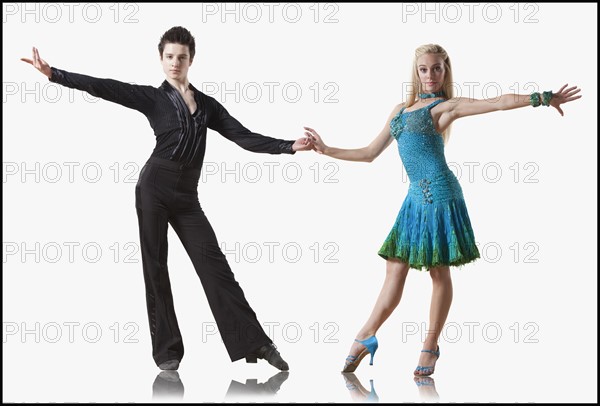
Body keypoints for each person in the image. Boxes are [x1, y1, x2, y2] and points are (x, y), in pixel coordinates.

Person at [21, 26, 314, 371]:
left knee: (215, 268)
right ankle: (167, 351)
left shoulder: (207, 105)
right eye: (169, 57)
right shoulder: (152, 98)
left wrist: (287, 146)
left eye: (182, 57)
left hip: (188, 198)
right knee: (156, 267)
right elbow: (104, 87)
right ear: (161, 59)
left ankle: (255, 343)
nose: (175, 63)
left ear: (192, 60)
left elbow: (243, 136)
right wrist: (54, 74)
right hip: (154, 189)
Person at [304, 43, 581, 376]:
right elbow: (368, 153)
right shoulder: (399, 111)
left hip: (440, 195)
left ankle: (430, 346)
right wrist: (325, 149)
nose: (430, 75)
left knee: (438, 271)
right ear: (416, 72)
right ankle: (366, 335)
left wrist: (542, 97)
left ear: (445, 70)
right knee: (394, 268)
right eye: (424, 69)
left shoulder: (445, 107)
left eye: (437, 68)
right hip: (413, 201)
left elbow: (497, 102)